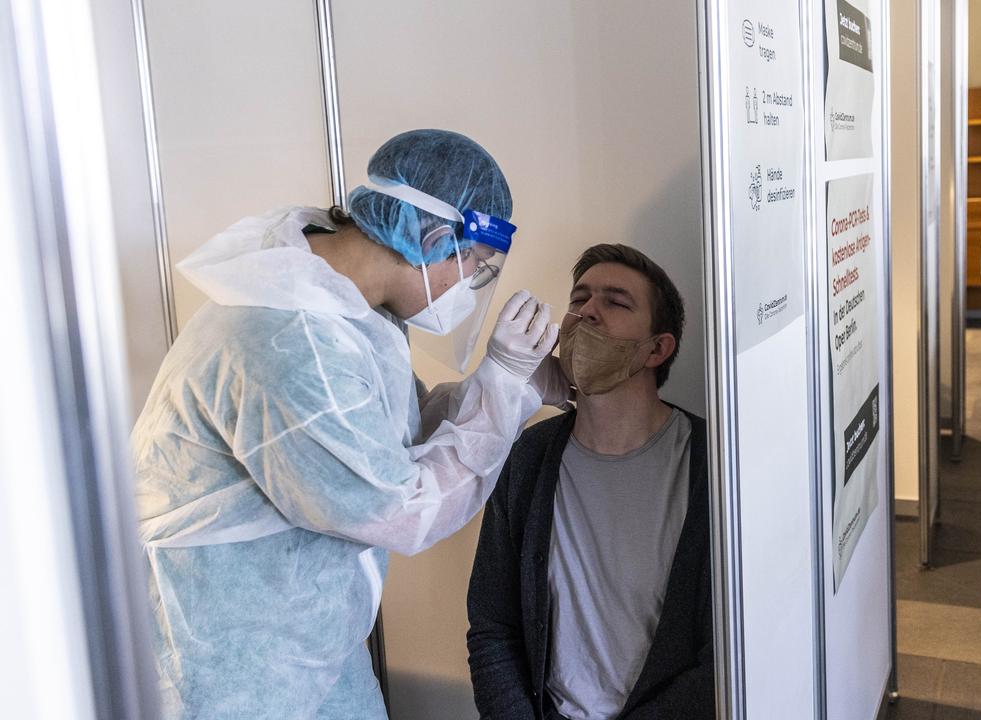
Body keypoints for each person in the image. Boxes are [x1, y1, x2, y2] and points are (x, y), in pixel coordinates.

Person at [132, 129, 565, 718]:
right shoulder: (290, 343)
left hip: (308, 648)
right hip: (236, 664)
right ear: (432, 238)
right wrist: (504, 386)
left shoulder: (349, 305)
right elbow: (401, 505)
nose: (468, 288)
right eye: (474, 268)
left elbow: (394, 438)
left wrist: (517, 387)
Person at [466, 245, 714, 719]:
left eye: (616, 302)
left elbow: (727, 651)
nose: (587, 313)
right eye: (579, 300)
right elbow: (493, 627)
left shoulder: (713, 463)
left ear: (658, 348)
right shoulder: (529, 457)